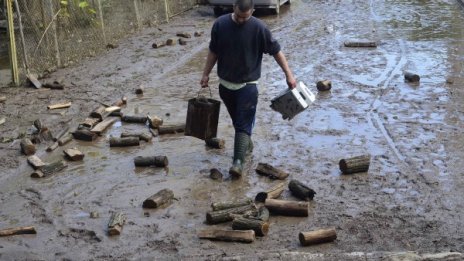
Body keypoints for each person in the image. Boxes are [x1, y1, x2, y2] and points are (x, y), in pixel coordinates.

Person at [200, 0, 296, 178]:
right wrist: (206, 74)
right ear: (234, 8)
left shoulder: (260, 28)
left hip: (248, 86)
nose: (241, 20)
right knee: (238, 122)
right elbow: (213, 51)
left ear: (252, 11)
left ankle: (238, 163)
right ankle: (247, 145)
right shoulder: (220, 24)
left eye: (245, 17)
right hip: (225, 85)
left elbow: (277, 52)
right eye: (238, 16)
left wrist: (289, 75)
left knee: (242, 124)